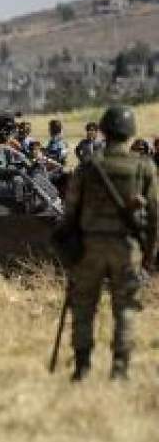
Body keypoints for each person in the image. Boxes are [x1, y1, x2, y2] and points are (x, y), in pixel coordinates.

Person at [63, 105, 159, 382]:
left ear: (103, 130)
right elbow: (154, 216)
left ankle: (82, 366)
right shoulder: (143, 167)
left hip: (90, 246)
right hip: (127, 247)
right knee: (125, 308)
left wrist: (70, 245)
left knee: (83, 306)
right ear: (130, 132)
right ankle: (120, 368)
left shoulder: (89, 165)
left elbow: (71, 210)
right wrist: (149, 256)